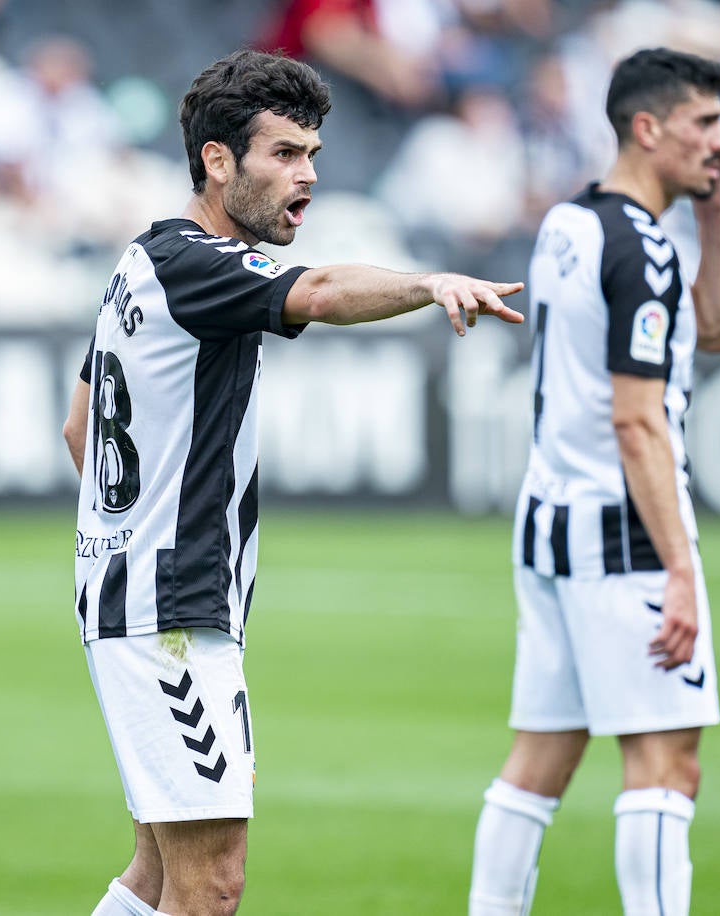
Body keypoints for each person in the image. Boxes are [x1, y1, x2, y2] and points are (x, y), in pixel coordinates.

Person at [61, 49, 525, 916]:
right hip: (168, 613)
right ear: (218, 161)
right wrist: (428, 282)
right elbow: (319, 290)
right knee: (211, 884)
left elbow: (78, 426)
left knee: (155, 878)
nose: (305, 175)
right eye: (283, 154)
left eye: (311, 153)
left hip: (140, 599)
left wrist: (126, 533)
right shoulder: (199, 266)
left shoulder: (144, 260)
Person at [467, 47, 720, 916]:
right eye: (704, 124)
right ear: (648, 127)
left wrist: (719, 216)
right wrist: (682, 570)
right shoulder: (641, 250)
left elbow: (718, 331)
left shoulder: (571, 224)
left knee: (540, 758)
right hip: (623, 530)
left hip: (550, 520)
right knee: (668, 764)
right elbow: (636, 419)